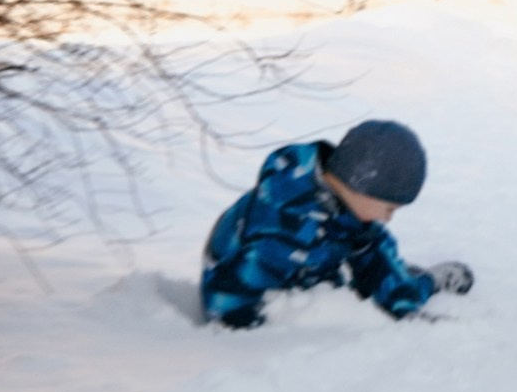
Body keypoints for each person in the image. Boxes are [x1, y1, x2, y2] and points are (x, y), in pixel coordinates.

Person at [201, 120, 474, 329]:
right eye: (389, 207)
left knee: (379, 267)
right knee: (347, 284)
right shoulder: (279, 230)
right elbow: (226, 306)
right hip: (244, 285)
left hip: (313, 261)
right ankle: (415, 282)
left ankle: (412, 284)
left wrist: (404, 306)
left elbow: (371, 247)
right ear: (362, 186)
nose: (388, 217)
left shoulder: (345, 202)